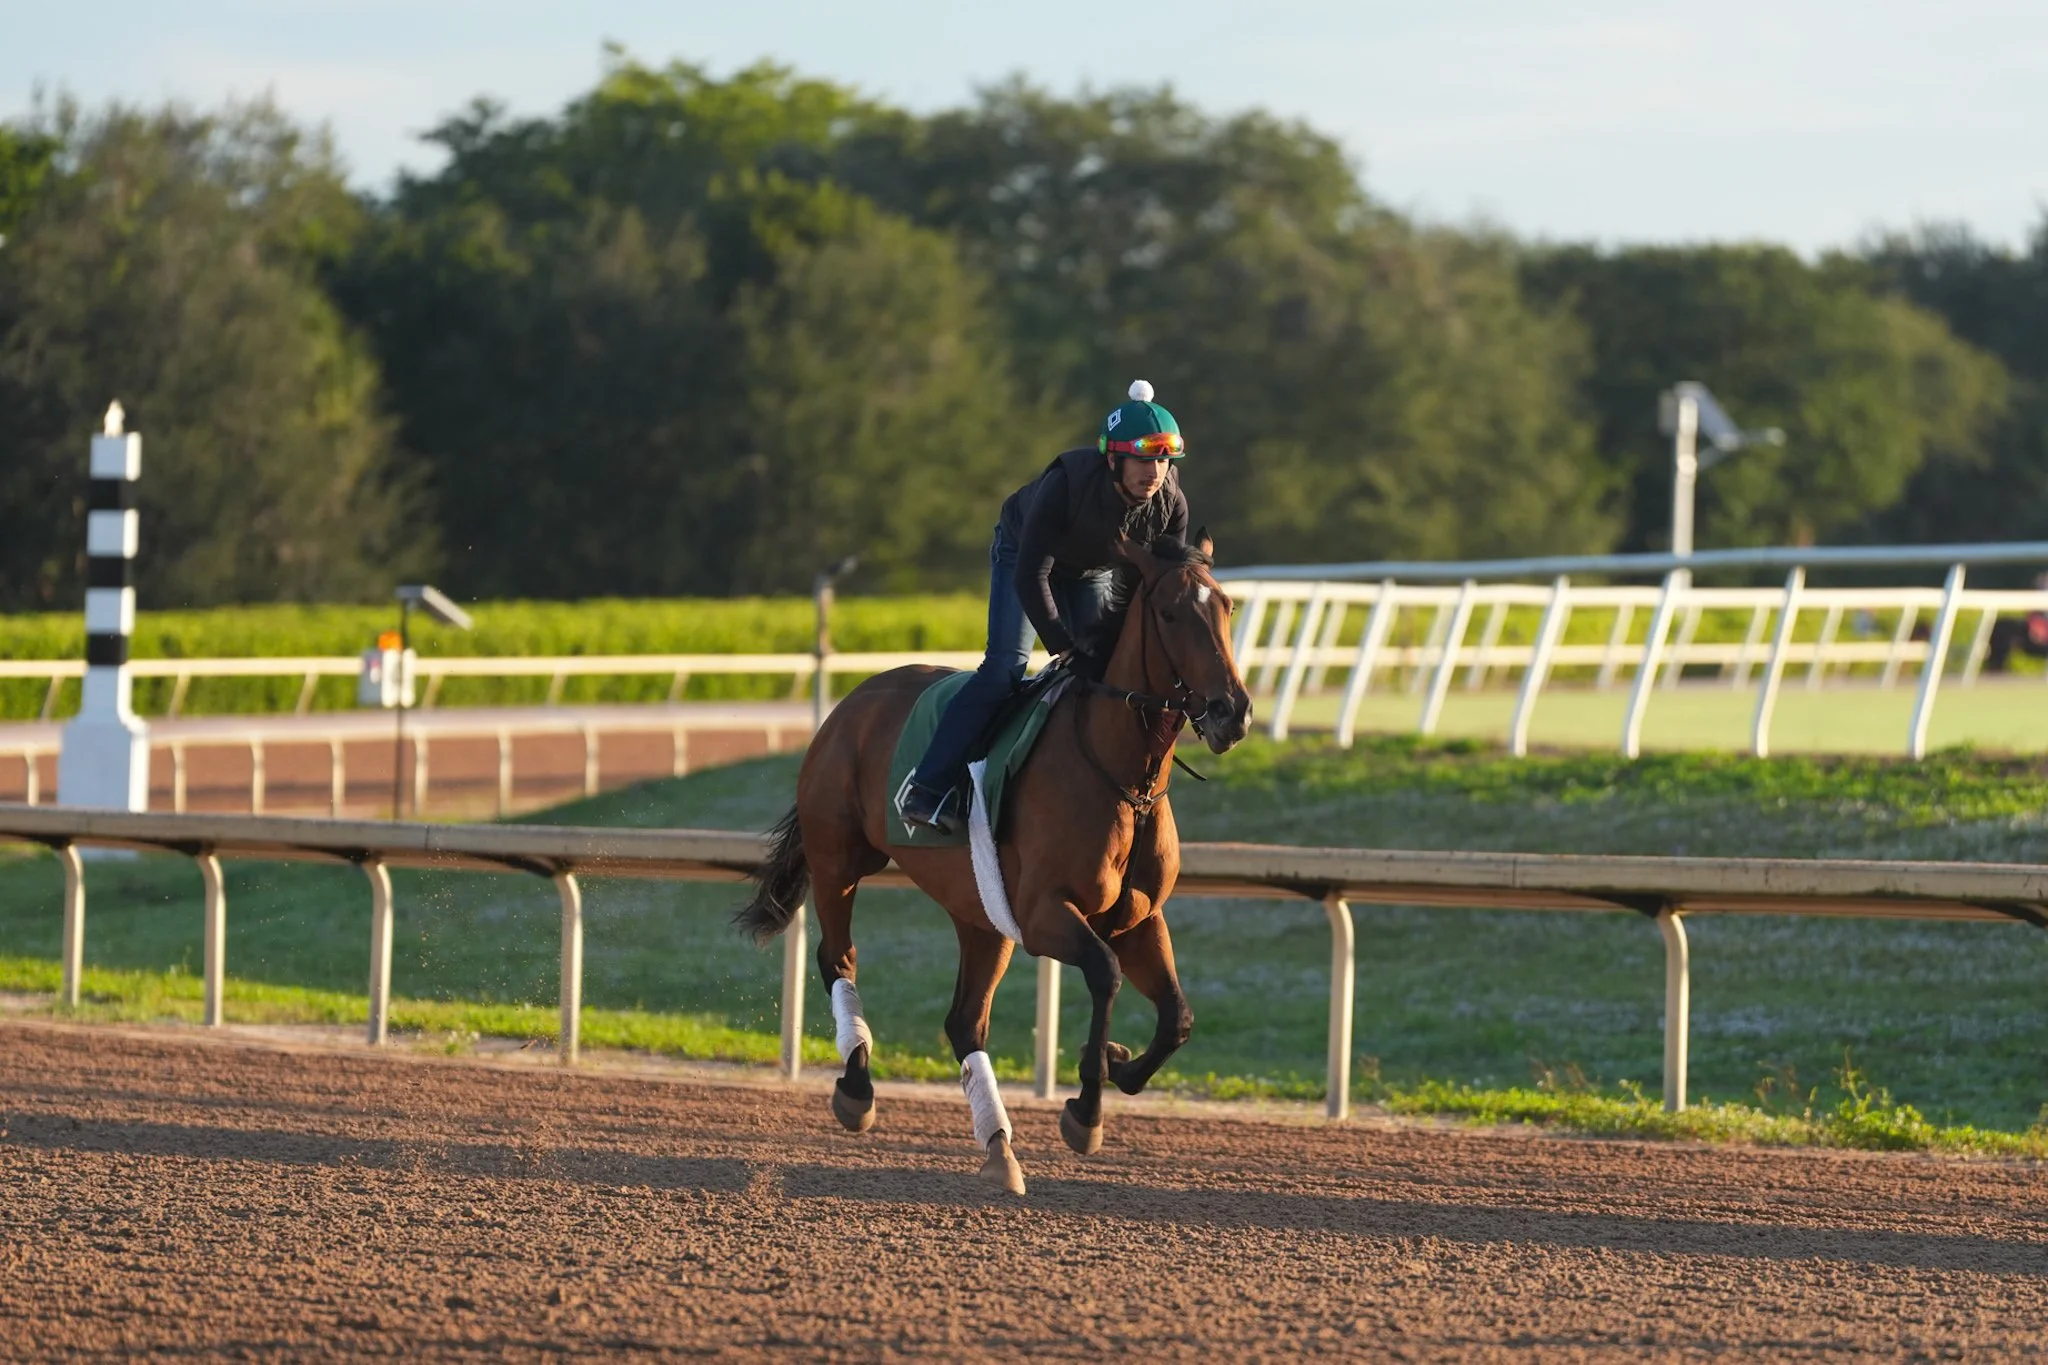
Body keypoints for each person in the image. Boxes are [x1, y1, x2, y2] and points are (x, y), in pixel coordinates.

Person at [896, 380, 1191, 834]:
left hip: (1089, 570)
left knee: (1107, 674)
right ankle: (929, 788)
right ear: (1113, 459)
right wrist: (1064, 647)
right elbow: (1032, 576)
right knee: (1005, 670)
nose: (1154, 473)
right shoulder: (1065, 485)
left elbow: (1159, 586)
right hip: (1025, 558)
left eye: (1163, 460)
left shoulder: (1171, 505)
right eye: (1143, 460)